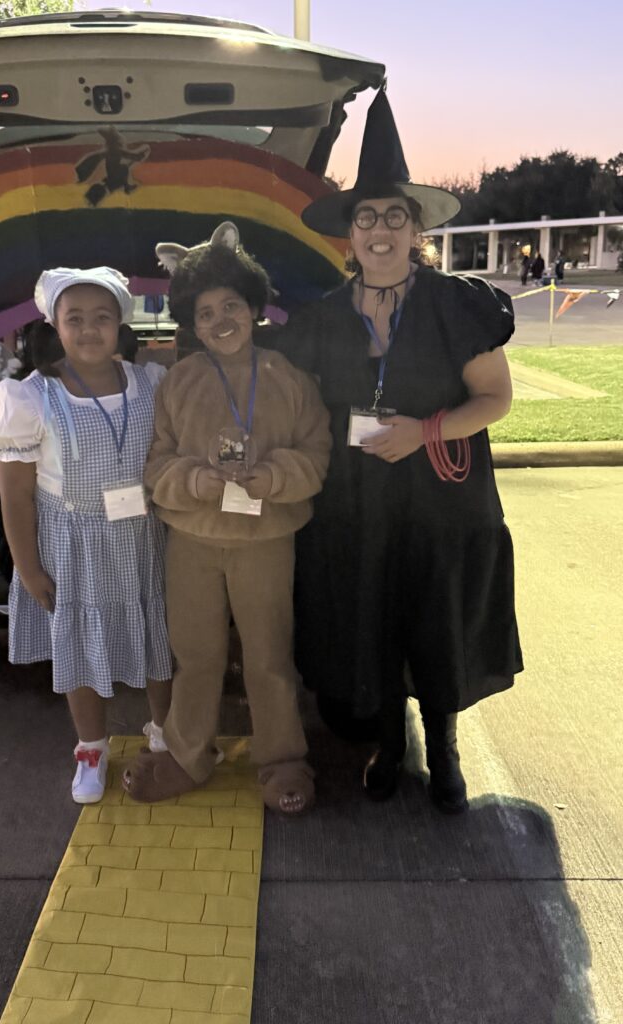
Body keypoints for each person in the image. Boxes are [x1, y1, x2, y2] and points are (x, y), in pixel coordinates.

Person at [272, 88, 523, 813]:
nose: (380, 229)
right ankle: (389, 743)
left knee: (436, 620)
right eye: (367, 217)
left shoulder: (456, 304)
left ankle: (443, 753)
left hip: (442, 496)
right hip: (355, 499)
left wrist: (423, 431)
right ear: (349, 234)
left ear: (416, 229)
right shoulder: (323, 318)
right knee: (369, 615)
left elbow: (494, 400)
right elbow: (280, 389)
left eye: (394, 216)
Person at [121, 224, 331, 814]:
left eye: (231, 305)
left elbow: (318, 454)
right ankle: (187, 754)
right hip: (192, 540)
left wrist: (277, 475)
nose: (221, 320)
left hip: (267, 539)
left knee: (269, 656)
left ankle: (282, 758)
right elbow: (156, 463)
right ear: (192, 320)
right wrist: (193, 480)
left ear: (254, 306)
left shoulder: (290, 378)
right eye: (206, 312)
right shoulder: (178, 382)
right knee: (196, 655)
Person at [0, 267, 172, 804]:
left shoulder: (150, 383)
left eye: (102, 318)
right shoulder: (31, 398)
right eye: (75, 319)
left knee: (157, 634)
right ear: (55, 325)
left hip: (143, 537)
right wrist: (28, 567)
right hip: (74, 545)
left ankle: (165, 735)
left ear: (121, 324)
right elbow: (16, 496)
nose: (89, 330)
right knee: (82, 645)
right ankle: (91, 746)